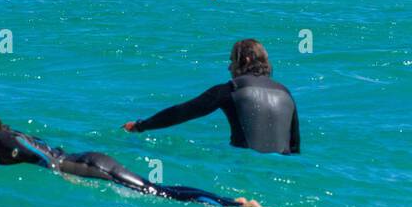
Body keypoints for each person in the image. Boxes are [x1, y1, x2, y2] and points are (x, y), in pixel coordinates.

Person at [0, 99, 277, 207]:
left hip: (91, 166)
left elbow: (39, 153)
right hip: (86, 164)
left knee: (157, 192)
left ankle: (235, 204)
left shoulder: (4, 138)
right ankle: (232, 204)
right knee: (156, 192)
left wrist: (61, 175)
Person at [124, 39, 299, 155]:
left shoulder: (232, 90)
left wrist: (141, 125)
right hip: (284, 170)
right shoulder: (286, 94)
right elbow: (294, 147)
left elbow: (182, 112)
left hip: (246, 169)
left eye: (232, 61)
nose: (229, 68)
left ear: (244, 61)